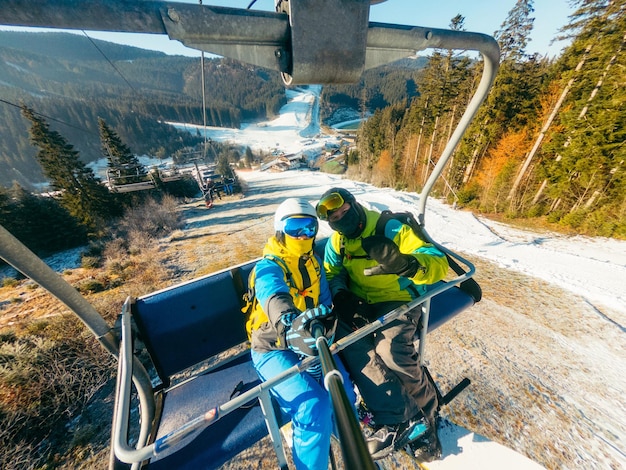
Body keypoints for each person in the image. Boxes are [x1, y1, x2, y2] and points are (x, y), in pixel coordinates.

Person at [315, 188, 449, 462]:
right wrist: (342, 296)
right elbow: (332, 272)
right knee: (351, 345)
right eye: (336, 218)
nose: (343, 220)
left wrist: (408, 265)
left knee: (390, 351)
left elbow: (438, 263)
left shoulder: (389, 228)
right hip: (360, 306)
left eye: (345, 212)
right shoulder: (338, 242)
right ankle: (396, 417)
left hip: (398, 301)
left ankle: (429, 410)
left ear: (355, 205)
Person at [245, 198, 356, 470]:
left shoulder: (314, 264)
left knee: (345, 395)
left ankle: (355, 451)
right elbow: (274, 296)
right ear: (280, 230)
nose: (303, 235)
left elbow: (325, 303)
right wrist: (288, 324)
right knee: (313, 406)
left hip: (310, 341)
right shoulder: (269, 266)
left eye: (309, 227)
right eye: (295, 227)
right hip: (273, 348)